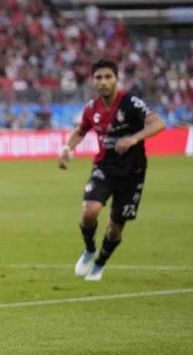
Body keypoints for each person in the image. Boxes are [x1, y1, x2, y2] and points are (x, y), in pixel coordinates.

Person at [58, 59, 165, 281]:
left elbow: (158, 123)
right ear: (92, 81)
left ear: (116, 79)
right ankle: (89, 250)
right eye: (98, 78)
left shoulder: (130, 103)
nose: (103, 82)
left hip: (132, 173)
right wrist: (68, 148)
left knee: (115, 228)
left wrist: (133, 138)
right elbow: (81, 131)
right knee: (89, 212)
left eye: (108, 77)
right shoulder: (91, 108)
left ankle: (100, 263)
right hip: (105, 167)